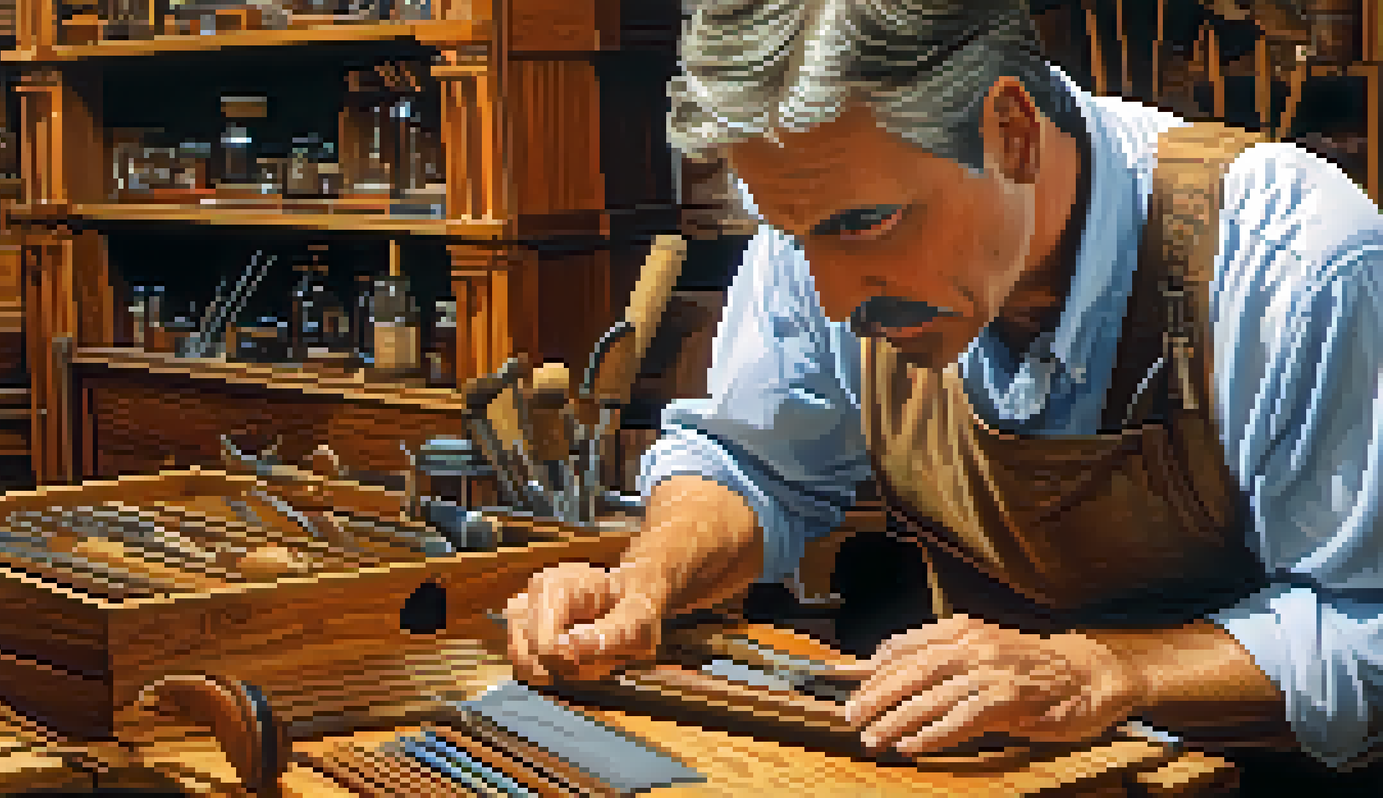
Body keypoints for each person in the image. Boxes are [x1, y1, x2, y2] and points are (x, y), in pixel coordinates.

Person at [503, 0, 1383, 789]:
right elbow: (751, 464)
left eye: (863, 225)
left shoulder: (1294, 269)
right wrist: (647, 582)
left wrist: (1103, 672)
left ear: (1011, 133)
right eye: (794, 234)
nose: (838, 297)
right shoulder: (821, 217)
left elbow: (1368, 629)